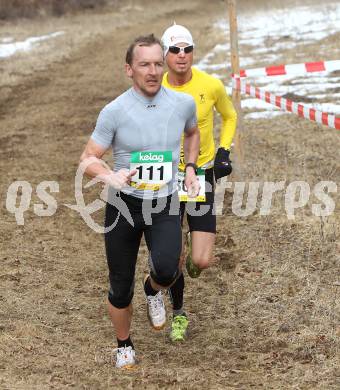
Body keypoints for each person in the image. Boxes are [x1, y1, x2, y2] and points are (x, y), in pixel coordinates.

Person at [79, 34, 200, 369]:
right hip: (124, 205)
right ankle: (124, 345)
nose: (152, 71)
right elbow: (87, 158)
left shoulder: (182, 104)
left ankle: (152, 288)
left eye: (158, 64)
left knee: (166, 269)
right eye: (144, 64)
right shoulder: (114, 111)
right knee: (119, 287)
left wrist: (189, 166)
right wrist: (109, 176)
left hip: (164, 203)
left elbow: (192, 133)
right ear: (128, 69)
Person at [160, 24, 237, 342]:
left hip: (201, 174)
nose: (182, 56)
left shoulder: (211, 85)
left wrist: (224, 150)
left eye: (187, 49)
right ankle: (179, 313)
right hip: (166, 178)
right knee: (172, 256)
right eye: (175, 50)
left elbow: (229, 116)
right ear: (164, 54)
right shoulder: (154, 88)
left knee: (201, 260)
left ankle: (192, 260)